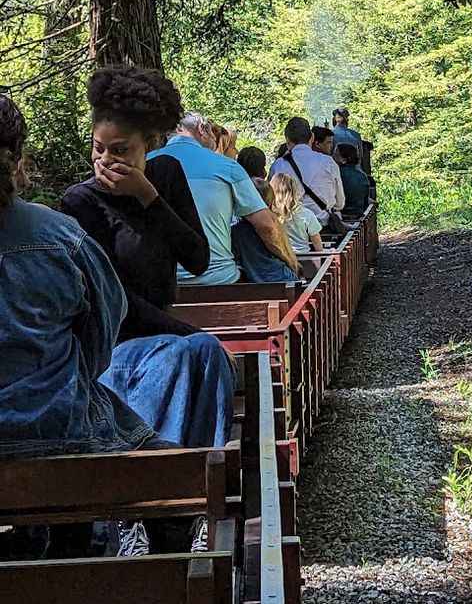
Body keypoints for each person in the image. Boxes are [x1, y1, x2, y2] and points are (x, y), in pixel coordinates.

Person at [61, 70, 233, 557]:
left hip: (165, 338)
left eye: (121, 151)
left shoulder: (167, 178)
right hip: (112, 345)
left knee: (202, 356)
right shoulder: (79, 202)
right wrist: (188, 334)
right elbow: (109, 298)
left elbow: (198, 257)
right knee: (196, 352)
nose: (106, 160)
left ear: (148, 147)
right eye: (99, 149)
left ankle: (183, 507)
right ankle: (157, 507)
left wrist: (149, 198)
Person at [0, 93, 155, 462]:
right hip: (56, 430)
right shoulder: (61, 237)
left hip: (53, 430)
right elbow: (105, 326)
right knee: (169, 464)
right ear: (17, 161)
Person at [149, 111, 286, 286]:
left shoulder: (145, 163)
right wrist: (288, 261)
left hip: (162, 281)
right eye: (211, 131)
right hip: (218, 278)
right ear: (201, 129)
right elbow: (266, 225)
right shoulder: (226, 166)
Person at [269, 116, 345, 227]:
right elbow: (339, 203)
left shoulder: (278, 165)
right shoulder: (328, 162)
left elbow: (271, 200)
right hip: (324, 226)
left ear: (287, 139)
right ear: (312, 137)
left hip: (291, 229)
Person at [232, 178, 301, 282]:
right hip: (283, 277)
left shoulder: (236, 230)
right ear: (270, 202)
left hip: (255, 281)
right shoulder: (274, 222)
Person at [270, 172, 324, 254]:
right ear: (294, 190)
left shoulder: (270, 214)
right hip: (303, 257)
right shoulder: (306, 214)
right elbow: (316, 241)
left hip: (280, 257)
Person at [337, 143, 371, 215]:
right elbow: (365, 200)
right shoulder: (363, 176)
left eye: (336, 155)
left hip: (342, 214)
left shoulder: (337, 173)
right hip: (358, 213)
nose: (333, 157)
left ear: (344, 159)